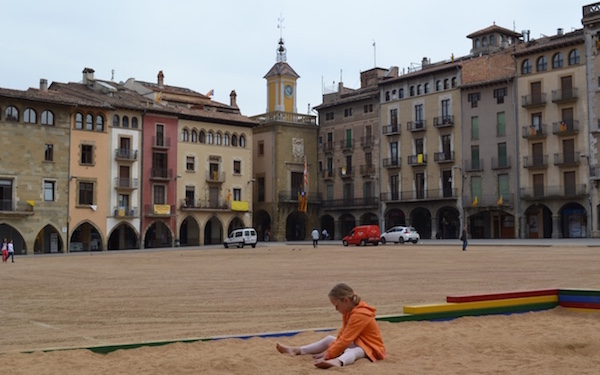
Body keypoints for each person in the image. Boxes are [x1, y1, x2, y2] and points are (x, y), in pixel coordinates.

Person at [276, 283, 386, 369]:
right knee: (329, 339)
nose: (336, 309)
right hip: (359, 343)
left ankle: (338, 362)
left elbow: (345, 340)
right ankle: (297, 350)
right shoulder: (349, 312)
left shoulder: (360, 314)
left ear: (346, 300)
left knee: (352, 351)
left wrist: (328, 355)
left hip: (371, 348)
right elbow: (342, 334)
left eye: (337, 305)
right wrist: (330, 350)